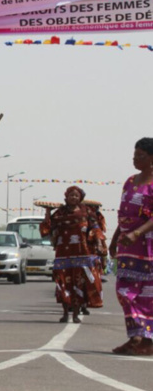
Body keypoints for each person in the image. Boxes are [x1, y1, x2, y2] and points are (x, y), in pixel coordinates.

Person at [109, 137, 153, 356]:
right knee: (124, 291)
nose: (135, 159)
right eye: (134, 155)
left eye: (140, 156)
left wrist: (137, 232)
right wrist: (115, 238)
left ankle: (145, 340)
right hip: (127, 245)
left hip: (147, 246)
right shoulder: (130, 181)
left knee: (146, 293)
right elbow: (123, 213)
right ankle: (136, 335)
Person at [40, 186, 104, 324]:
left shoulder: (87, 212)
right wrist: (47, 212)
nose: (73, 198)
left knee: (79, 284)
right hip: (63, 253)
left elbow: (95, 228)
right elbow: (47, 228)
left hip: (82, 253)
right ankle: (64, 313)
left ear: (80, 198)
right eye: (71, 195)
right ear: (66, 197)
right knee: (63, 284)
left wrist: (99, 243)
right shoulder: (59, 213)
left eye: (76, 195)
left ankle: (75, 314)